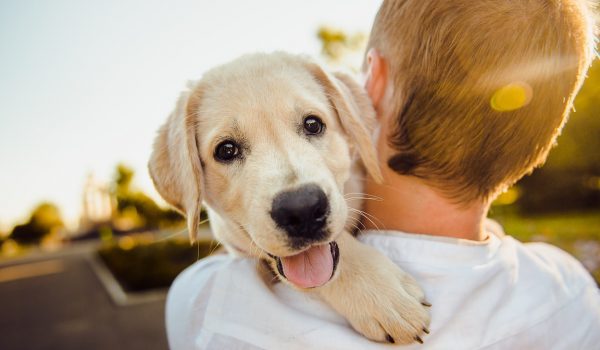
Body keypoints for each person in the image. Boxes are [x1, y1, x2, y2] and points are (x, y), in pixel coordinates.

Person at [166, 0, 600, 349]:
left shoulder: (209, 308)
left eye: (312, 126)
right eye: (229, 150)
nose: (295, 194)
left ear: (370, 83)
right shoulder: (573, 295)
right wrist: (345, 264)